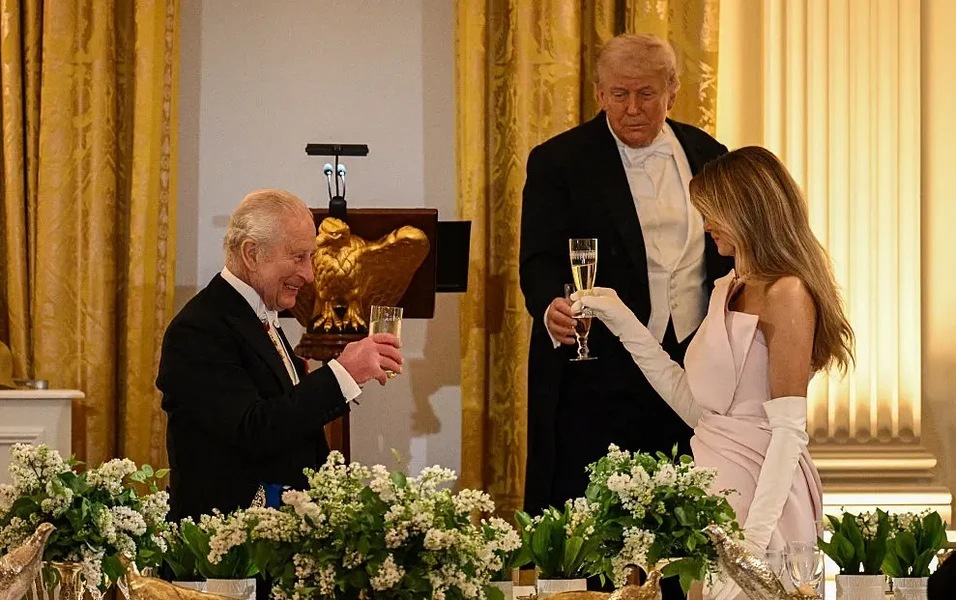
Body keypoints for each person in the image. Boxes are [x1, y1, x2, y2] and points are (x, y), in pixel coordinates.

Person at [574, 146, 855, 600]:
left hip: (764, 502)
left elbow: (788, 432)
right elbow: (696, 408)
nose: (705, 225)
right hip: (714, 500)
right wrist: (622, 320)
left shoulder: (787, 292)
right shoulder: (726, 287)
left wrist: (751, 545)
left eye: (711, 213)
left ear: (746, 211)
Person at [519, 32, 734, 520]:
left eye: (646, 93)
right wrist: (551, 306)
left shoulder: (710, 154)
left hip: (691, 363)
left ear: (672, 92)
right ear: (600, 94)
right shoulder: (558, 161)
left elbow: (730, 255)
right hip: (599, 371)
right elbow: (538, 259)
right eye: (619, 94)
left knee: (684, 516)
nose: (632, 108)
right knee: (596, 518)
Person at [157, 189, 404, 523]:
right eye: (298, 257)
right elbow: (253, 430)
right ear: (251, 254)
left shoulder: (258, 315)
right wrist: (342, 373)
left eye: (311, 257)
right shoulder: (199, 329)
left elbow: (288, 420)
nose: (310, 275)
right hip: (229, 543)